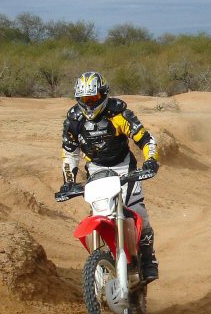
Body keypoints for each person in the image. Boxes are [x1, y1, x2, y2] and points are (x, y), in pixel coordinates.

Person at [59, 71, 160, 281]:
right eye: (84, 99)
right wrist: (68, 182)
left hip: (125, 168)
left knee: (138, 211)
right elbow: (70, 153)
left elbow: (145, 139)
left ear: (103, 95)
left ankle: (149, 259)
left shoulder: (119, 114)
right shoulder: (74, 120)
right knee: (99, 212)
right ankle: (101, 262)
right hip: (96, 170)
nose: (88, 103)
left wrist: (150, 161)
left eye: (93, 98)